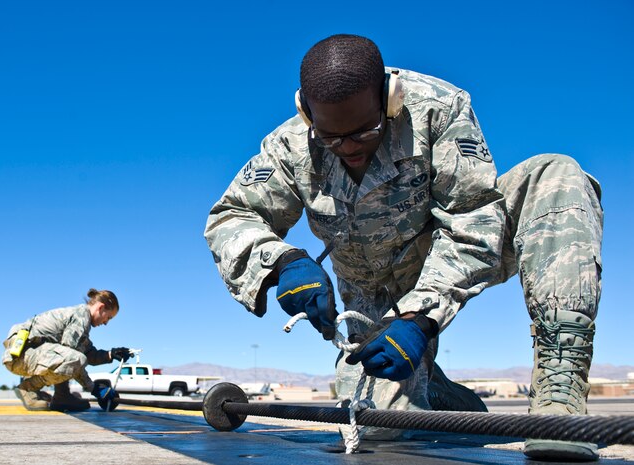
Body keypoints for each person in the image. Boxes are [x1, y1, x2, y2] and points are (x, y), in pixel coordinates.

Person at [205, 34, 603, 461]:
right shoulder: (290, 146)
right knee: (381, 430)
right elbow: (232, 216)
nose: (348, 148)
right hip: (373, 300)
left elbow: (473, 220)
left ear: (389, 100)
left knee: (556, 174)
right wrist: (283, 261)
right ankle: (435, 391)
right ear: (307, 114)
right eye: (331, 139)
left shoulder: (438, 110)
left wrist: (421, 318)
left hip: (449, 252)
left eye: (364, 132)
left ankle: (560, 390)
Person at [2, 288, 133, 412]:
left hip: (27, 355)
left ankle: (62, 396)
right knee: (75, 358)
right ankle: (28, 388)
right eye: (108, 317)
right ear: (101, 307)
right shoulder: (81, 317)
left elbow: (87, 352)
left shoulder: (80, 317)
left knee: (73, 356)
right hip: (22, 356)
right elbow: (73, 358)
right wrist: (94, 389)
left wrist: (111, 354)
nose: (106, 323)